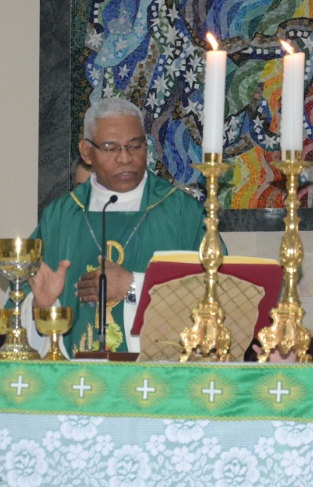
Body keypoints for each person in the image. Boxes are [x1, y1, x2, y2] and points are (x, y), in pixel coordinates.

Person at [27, 98, 210, 354]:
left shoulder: (182, 212)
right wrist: (42, 307)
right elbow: (19, 296)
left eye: (135, 146)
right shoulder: (60, 216)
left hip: (159, 377)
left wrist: (133, 286)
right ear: (86, 152)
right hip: (76, 379)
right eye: (111, 148)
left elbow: (220, 292)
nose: (125, 158)